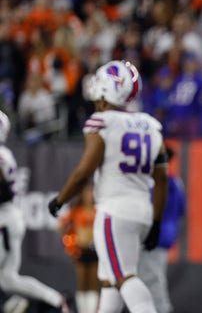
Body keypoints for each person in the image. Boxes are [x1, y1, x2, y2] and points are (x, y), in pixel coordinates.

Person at [47, 60, 168, 313]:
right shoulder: (151, 125)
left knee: (125, 277)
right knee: (110, 280)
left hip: (115, 210)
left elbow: (84, 172)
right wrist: (156, 221)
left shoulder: (103, 122)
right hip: (142, 210)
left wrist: (60, 200)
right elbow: (161, 180)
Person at [0, 110, 70, 312]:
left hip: (4, 220)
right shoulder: (5, 154)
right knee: (8, 279)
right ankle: (56, 300)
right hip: (9, 218)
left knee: (7, 278)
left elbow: (3, 191)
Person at [138, 146, 185, 313]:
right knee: (152, 277)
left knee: (151, 278)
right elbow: (181, 210)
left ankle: (163, 310)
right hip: (165, 235)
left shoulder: (155, 182)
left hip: (153, 235)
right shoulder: (176, 182)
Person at [58, 183, 98, 313]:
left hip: (95, 250)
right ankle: (83, 310)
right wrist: (70, 239)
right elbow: (61, 226)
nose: (89, 196)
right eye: (87, 192)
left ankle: (92, 310)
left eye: (92, 192)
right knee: (82, 283)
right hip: (80, 250)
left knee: (93, 283)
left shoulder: (99, 211)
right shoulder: (76, 211)